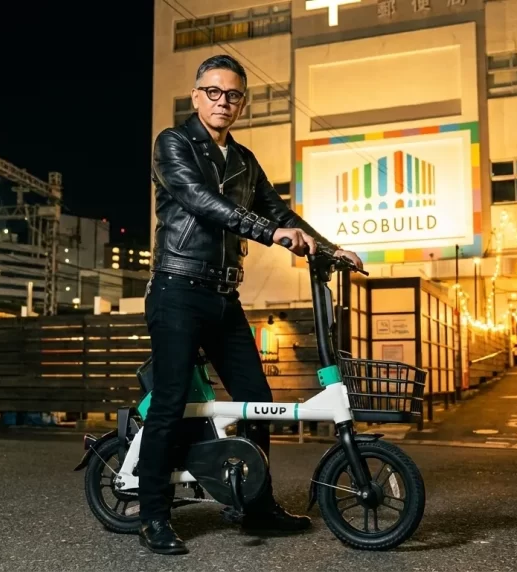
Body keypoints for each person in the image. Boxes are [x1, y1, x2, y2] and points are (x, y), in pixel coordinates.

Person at [139, 54, 364, 555]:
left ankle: (254, 505)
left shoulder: (243, 160)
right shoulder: (173, 144)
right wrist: (270, 233)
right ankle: (153, 516)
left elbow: (279, 210)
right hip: (177, 289)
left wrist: (330, 248)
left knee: (256, 398)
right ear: (196, 96)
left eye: (233, 94)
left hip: (223, 295)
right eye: (213, 92)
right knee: (171, 403)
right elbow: (201, 200)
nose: (223, 101)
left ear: (243, 102)